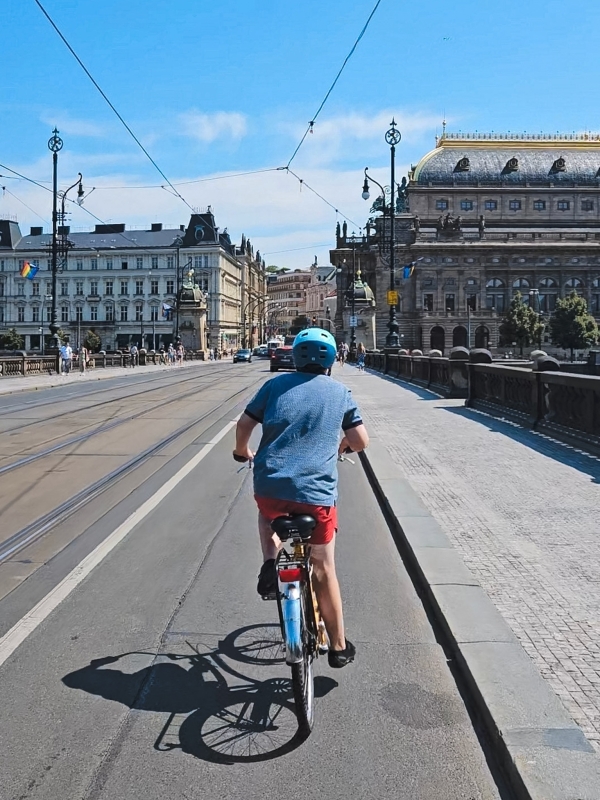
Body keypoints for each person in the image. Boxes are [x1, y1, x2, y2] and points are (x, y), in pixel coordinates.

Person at [233, 328, 369, 669]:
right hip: (316, 497)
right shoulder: (340, 393)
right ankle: (338, 646)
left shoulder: (273, 386)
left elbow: (244, 424)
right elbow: (361, 440)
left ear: (295, 357)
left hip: (271, 488)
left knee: (267, 515)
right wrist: (343, 446)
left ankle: (269, 563)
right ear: (332, 359)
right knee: (323, 566)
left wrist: (241, 452)